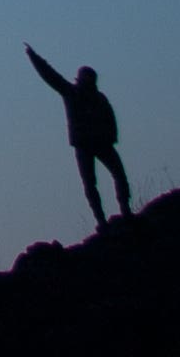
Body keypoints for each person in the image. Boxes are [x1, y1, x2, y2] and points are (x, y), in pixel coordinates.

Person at [26, 46, 133, 229]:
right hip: (88, 144)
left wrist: (111, 137)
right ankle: (104, 218)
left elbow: (110, 118)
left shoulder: (94, 97)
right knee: (95, 182)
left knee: (109, 178)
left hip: (97, 143)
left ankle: (120, 212)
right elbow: (50, 75)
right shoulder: (75, 93)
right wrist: (35, 57)